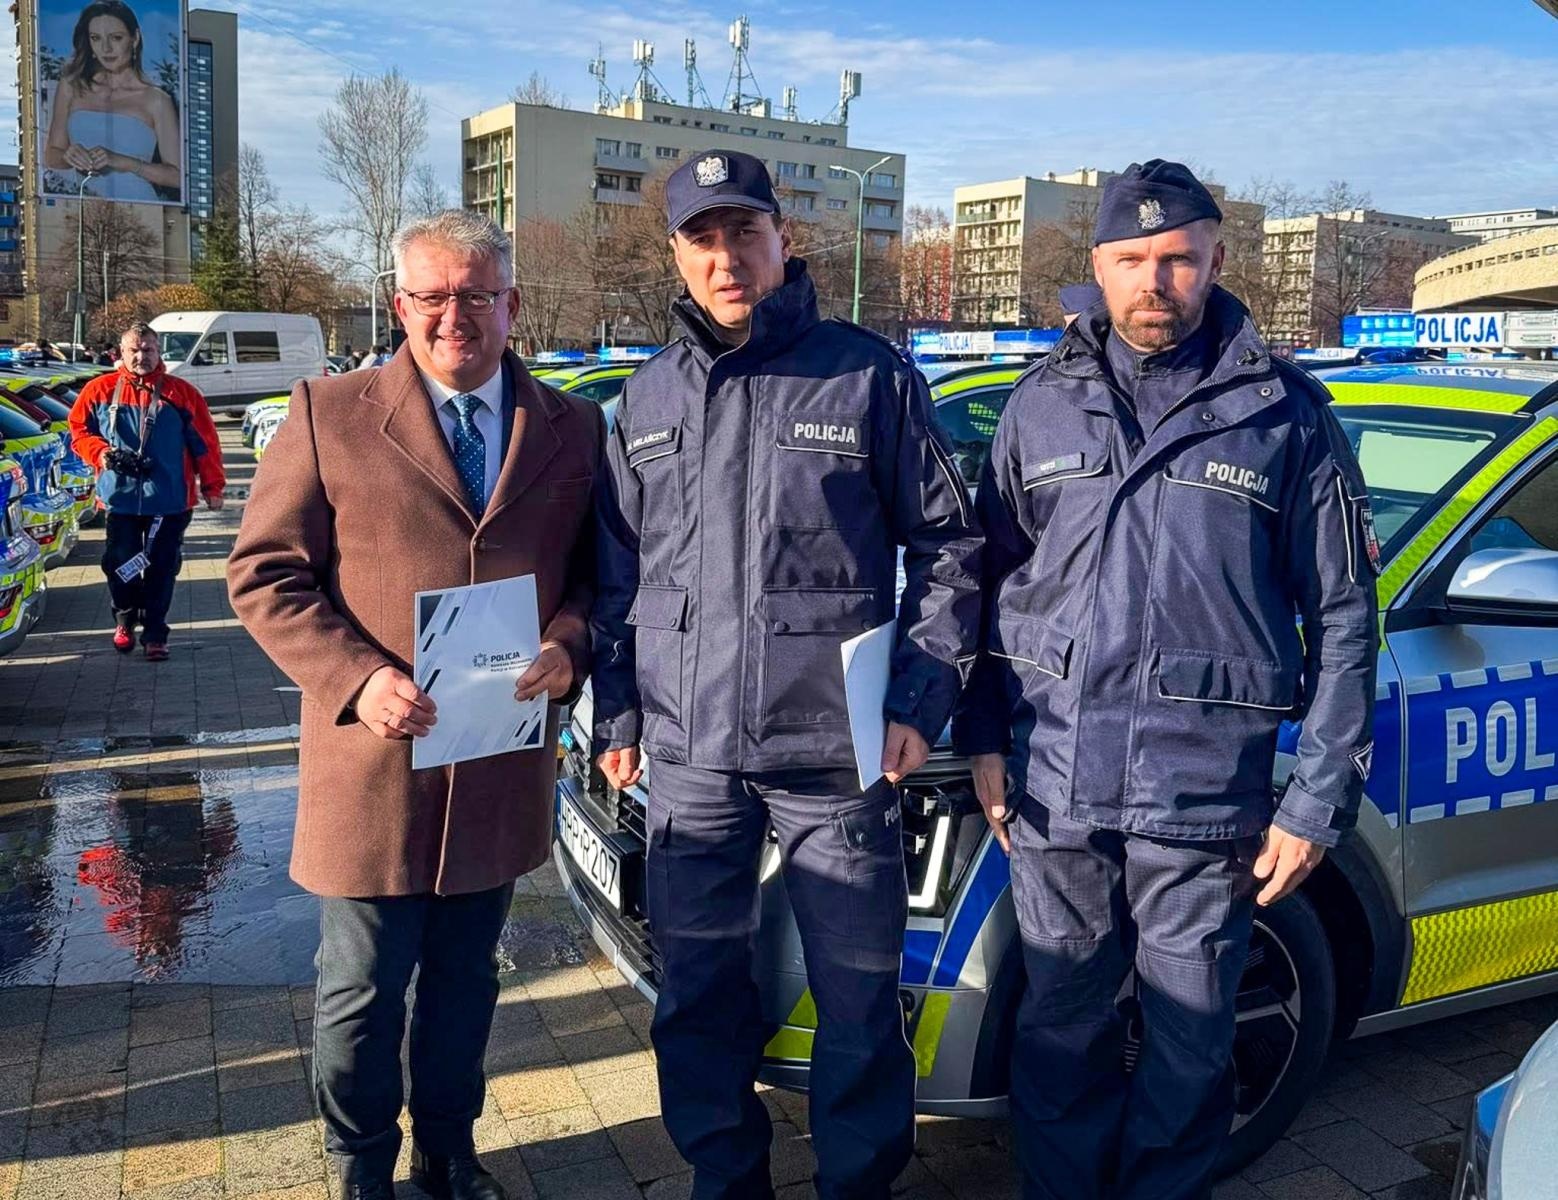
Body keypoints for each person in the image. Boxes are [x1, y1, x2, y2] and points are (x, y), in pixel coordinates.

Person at [953, 160, 1378, 1200]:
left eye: (1178, 258)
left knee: (1189, 1051)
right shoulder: (1040, 406)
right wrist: (984, 735)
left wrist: (1315, 805)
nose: (1156, 280)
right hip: (1055, 788)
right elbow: (987, 584)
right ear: (1097, 266)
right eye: (1133, 259)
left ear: (1216, 261)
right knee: (1060, 1033)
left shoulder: (1284, 417)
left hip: (1202, 795)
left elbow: (1342, 619)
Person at [591, 149, 983, 1200]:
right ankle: (725, 1179)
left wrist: (919, 698)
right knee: (696, 995)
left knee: (857, 998)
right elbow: (617, 573)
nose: (726, 258)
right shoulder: (647, 396)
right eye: (703, 239)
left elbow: (949, 547)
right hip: (688, 756)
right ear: (676, 254)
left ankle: (859, 1183)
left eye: (745, 233)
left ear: (782, 239)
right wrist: (618, 712)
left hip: (834, 753)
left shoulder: (868, 375)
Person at [228, 210, 602, 1200]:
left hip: (497, 759)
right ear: (399, 305)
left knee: (466, 987)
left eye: (475, 295)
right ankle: (361, 1171)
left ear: (512, 303)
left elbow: (598, 577)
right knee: (359, 994)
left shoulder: (573, 426)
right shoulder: (327, 411)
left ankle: (447, 1156)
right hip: (374, 767)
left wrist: (570, 643)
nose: (454, 317)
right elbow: (262, 573)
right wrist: (357, 679)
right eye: (431, 296)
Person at [68, 320, 224, 660]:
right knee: (119, 563)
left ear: (158, 351)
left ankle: (155, 633)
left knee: (162, 568)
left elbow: (206, 444)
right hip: (120, 499)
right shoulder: (99, 390)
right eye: (134, 350)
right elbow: (78, 431)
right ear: (121, 353)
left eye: (148, 350)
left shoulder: (182, 393)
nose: (142, 357)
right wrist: (101, 453)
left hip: (170, 500)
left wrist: (213, 486)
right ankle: (124, 619)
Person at [43, 0, 182, 203]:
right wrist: (68, 156)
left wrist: (121, 161)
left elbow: (177, 177)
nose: (106, 48)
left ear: (134, 39)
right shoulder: (71, 85)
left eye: (116, 38)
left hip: (139, 207)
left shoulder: (157, 100)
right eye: (96, 38)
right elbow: (51, 155)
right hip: (81, 205)